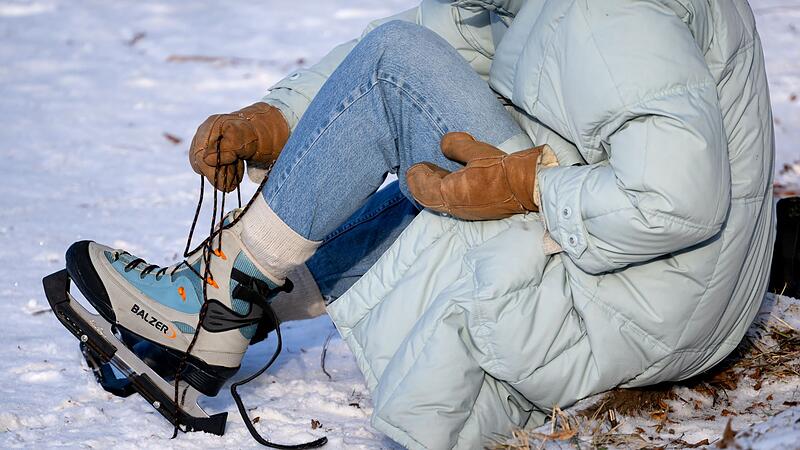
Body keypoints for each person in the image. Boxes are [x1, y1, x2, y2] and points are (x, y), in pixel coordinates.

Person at [65, 0, 775, 448]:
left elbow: (675, 199)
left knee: (398, 78)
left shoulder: (606, 13)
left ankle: (215, 305)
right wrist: (276, 119)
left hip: (642, 300)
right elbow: (437, 33)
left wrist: (529, 184)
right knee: (411, 92)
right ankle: (229, 302)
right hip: (673, 294)